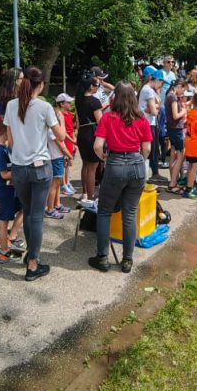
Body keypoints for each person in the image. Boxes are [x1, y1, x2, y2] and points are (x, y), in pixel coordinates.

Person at [2, 66, 68, 281]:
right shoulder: (44, 107)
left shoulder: (11, 106)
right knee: (36, 217)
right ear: (40, 85)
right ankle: (33, 264)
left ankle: (31, 255)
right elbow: (61, 135)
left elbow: (10, 141)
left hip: (18, 167)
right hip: (40, 167)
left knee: (29, 212)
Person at [89, 81, 152, 274]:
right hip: (136, 165)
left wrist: (105, 158)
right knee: (130, 214)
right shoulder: (142, 118)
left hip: (115, 163)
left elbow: (98, 146)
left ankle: (102, 257)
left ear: (114, 96)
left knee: (105, 211)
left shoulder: (108, 118)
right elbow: (147, 148)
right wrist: (139, 160)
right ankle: (127, 260)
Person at [0, 125, 25, 263]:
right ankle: (3, 251)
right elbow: (4, 174)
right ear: (6, 131)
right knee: (4, 220)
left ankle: (9, 240)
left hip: (9, 188)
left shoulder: (1, 148)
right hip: (4, 189)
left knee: (22, 209)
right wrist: (22, 171)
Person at [75, 72, 104, 209]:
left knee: (85, 164)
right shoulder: (94, 101)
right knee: (93, 167)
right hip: (92, 133)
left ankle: (84, 193)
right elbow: (100, 121)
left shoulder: (78, 99)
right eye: (96, 85)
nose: (97, 87)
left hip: (82, 132)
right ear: (91, 87)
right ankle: (91, 197)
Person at [164, 77, 188, 194]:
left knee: (174, 155)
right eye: (182, 91)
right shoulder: (172, 96)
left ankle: (173, 181)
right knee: (181, 155)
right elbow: (175, 115)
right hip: (176, 129)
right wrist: (184, 111)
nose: (182, 93)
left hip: (172, 129)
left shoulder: (170, 95)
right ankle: (172, 183)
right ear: (179, 86)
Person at [56, 93, 78, 197]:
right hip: (65, 141)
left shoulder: (69, 114)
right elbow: (62, 132)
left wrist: (74, 142)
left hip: (70, 142)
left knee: (68, 164)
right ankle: (63, 184)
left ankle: (67, 181)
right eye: (68, 102)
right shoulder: (60, 115)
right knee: (64, 163)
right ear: (61, 104)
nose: (70, 104)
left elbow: (72, 129)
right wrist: (72, 141)